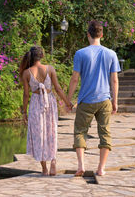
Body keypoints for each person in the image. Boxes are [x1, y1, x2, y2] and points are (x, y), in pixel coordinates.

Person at [68, 20, 120, 177]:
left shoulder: (80, 53)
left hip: (85, 100)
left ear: (88, 34)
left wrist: (68, 100)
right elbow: (115, 80)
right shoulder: (111, 54)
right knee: (105, 133)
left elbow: (75, 79)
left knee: (80, 132)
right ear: (102, 35)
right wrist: (115, 101)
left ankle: (81, 166)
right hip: (104, 100)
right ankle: (101, 168)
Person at [20, 46, 73, 176]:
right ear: (42, 56)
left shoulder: (26, 73)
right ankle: (53, 162)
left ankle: (44, 168)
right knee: (51, 132)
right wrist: (68, 103)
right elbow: (58, 89)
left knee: (39, 136)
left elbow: (26, 95)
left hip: (35, 104)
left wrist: (24, 112)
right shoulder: (50, 69)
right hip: (49, 103)